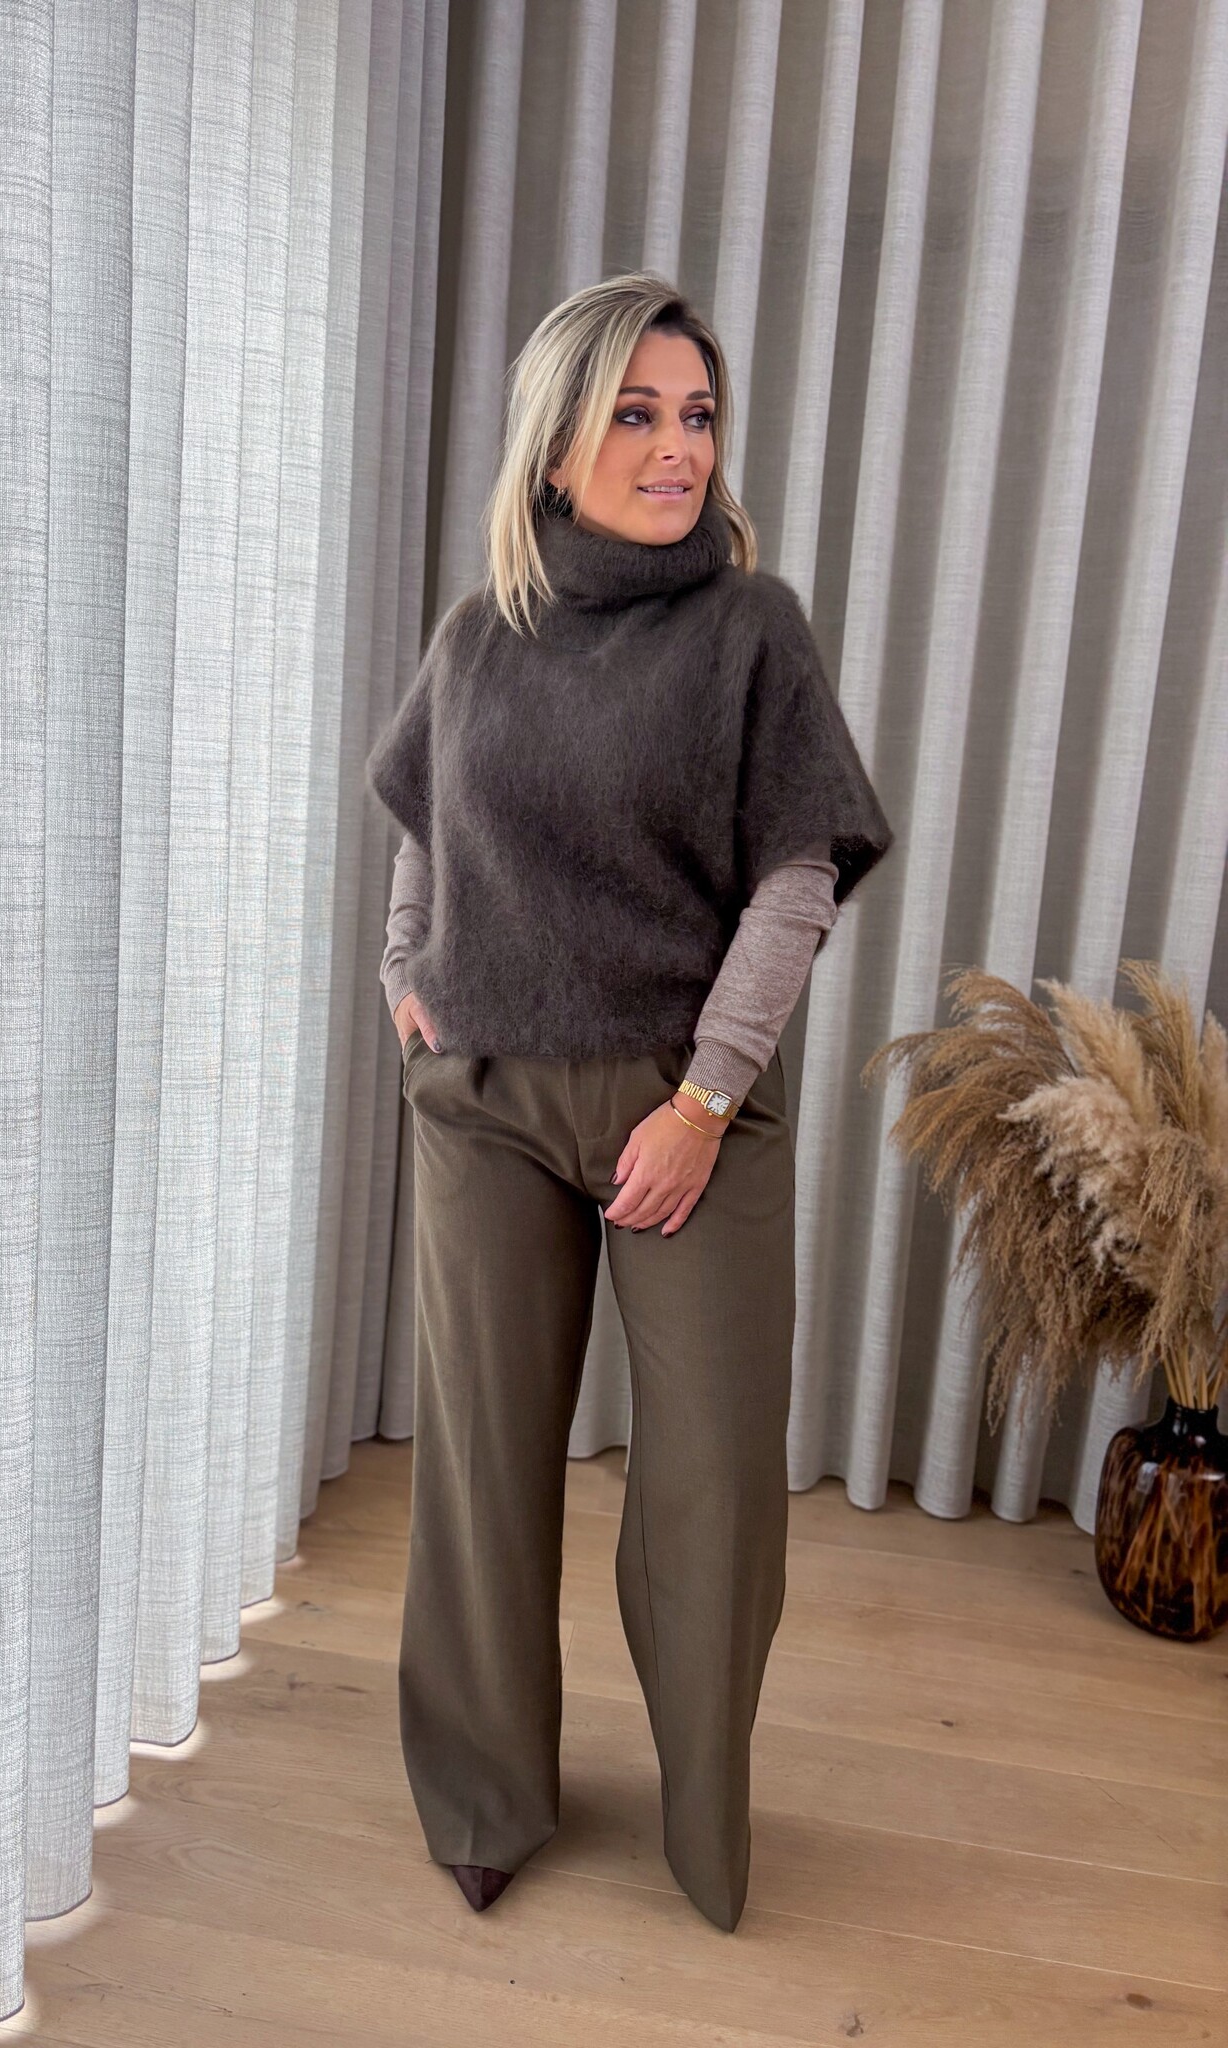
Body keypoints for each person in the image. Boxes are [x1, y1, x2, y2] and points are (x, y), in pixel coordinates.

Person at [364, 271, 894, 1933]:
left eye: (699, 415)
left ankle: (705, 1826)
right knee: (480, 1464)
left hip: (688, 1107)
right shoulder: (479, 634)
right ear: (557, 442)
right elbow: (429, 824)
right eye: (638, 414)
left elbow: (797, 877)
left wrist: (708, 1100)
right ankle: (482, 1797)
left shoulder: (751, 629)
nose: (679, 448)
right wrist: (404, 971)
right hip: (487, 1098)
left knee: (711, 1487)